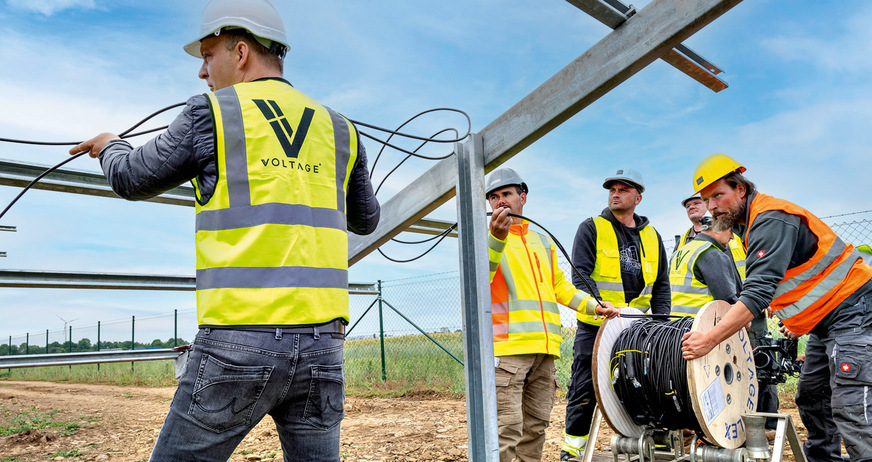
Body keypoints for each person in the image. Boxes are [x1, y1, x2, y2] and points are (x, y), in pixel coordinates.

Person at [70, 1, 380, 460]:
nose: (201, 71)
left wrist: (110, 145)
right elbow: (366, 219)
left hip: (239, 342)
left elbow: (132, 177)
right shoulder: (340, 129)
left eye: (207, 54)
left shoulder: (211, 114)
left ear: (239, 53)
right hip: (322, 347)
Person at [681, 153, 872, 462]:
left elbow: (756, 293)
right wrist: (794, 318)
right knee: (812, 397)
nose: (712, 205)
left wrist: (709, 339)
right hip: (826, 321)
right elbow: (788, 279)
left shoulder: (770, 218)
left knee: (852, 403)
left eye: (719, 194)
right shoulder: (749, 225)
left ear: (740, 189)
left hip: (854, 310)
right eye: (707, 199)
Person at [486, 168, 618, 462]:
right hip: (508, 351)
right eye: (493, 197)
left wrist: (594, 306)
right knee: (506, 430)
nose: (500, 202)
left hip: (545, 351)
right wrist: (496, 239)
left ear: (522, 198)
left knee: (535, 428)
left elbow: (559, 287)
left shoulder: (541, 242)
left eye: (506, 194)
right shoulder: (487, 240)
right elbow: (480, 278)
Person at [561, 168, 671, 461]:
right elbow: (580, 274)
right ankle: (574, 448)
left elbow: (661, 284)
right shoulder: (592, 227)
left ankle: (654, 442)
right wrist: (598, 304)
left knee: (647, 382)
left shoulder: (652, 236)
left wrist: (661, 325)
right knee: (585, 385)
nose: (615, 194)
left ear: (638, 197)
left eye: (623, 189)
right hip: (597, 324)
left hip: (637, 328)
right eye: (612, 189)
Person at [669, 216, 742, 316]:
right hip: (700, 323)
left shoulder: (680, 252)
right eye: (730, 231)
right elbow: (727, 298)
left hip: (675, 323)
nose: (732, 236)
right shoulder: (712, 254)